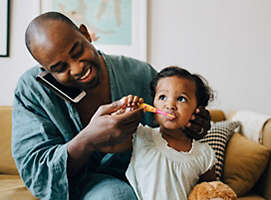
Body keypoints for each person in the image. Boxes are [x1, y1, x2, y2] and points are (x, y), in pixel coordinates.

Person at [12, 12, 211, 200]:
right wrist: (88, 140)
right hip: (79, 187)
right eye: (60, 68)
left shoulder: (140, 74)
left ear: (85, 33)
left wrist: (193, 125)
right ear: (46, 70)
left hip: (147, 179)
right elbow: (36, 174)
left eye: (77, 51)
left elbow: (171, 125)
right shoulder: (32, 91)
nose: (77, 67)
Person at [118, 66, 216, 200]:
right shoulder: (140, 135)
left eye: (181, 99)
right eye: (162, 97)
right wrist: (124, 113)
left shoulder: (204, 154)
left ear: (198, 109)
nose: (170, 105)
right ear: (153, 103)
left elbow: (213, 192)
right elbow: (109, 142)